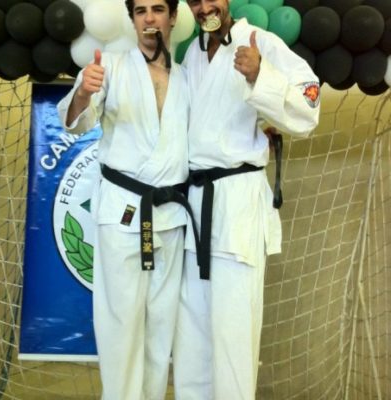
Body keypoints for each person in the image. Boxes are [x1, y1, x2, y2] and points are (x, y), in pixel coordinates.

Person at [172, 1, 320, 399]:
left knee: (234, 332)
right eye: (195, 1)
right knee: (191, 335)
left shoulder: (261, 41)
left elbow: (309, 108)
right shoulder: (192, 56)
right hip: (195, 205)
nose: (205, 7)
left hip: (237, 204)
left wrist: (261, 76)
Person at [57, 0, 191, 398]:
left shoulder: (187, 78)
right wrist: (84, 92)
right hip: (123, 213)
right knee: (120, 326)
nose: (149, 18)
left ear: (173, 17)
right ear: (132, 19)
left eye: (158, 9)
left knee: (161, 328)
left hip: (171, 216)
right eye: (140, 11)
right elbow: (76, 120)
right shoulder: (109, 67)